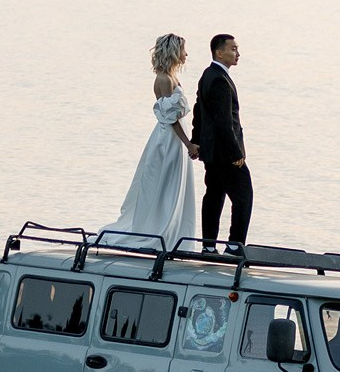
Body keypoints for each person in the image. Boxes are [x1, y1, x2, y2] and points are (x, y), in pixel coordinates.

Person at [105, 34, 200, 246]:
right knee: (165, 185)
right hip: (169, 138)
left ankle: (174, 232)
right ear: (175, 52)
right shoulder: (164, 80)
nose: (186, 54)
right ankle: (159, 231)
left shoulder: (171, 77)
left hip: (175, 135)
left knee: (173, 185)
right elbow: (171, 118)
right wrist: (188, 144)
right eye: (184, 50)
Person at [193, 32, 250, 250]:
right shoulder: (219, 79)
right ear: (219, 52)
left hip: (211, 151)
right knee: (244, 195)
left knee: (214, 196)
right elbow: (224, 122)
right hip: (225, 153)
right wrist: (236, 153)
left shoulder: (207, 75)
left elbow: (199, 112)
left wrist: (196, 141)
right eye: (233, 49)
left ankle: (208, 246)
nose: (238, 54)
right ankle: (234, 246)